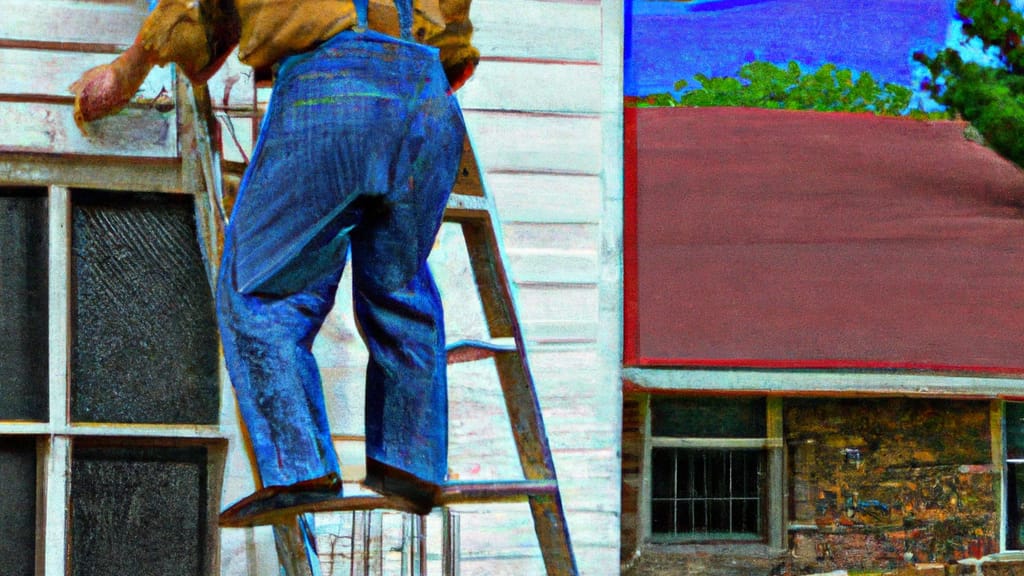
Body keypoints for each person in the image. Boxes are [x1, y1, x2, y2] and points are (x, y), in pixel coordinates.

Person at [71, 0, 479, 520]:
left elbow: (195, 23)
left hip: (330, 90)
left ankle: (299, 467)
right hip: (428, 101)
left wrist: (126, 69)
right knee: (399, 292)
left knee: (260, 293)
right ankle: (411, 466)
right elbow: (457, 44)